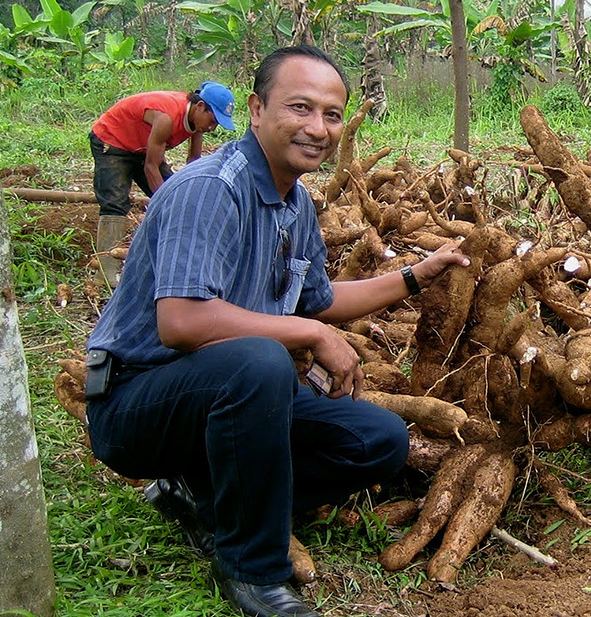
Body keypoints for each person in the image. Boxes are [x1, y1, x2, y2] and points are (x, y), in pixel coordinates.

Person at [83, 44, 470, 617]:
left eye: (332, 115)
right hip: (139, 403)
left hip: (231, 396)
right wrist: (309, 336)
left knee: (379, 440)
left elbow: (322, 299)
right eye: (300, 108)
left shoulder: (296, 206)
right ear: (257, 110)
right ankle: (254, 569)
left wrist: (415, 276)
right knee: (262, 359)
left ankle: (205, 496)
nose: (318, 127)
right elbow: (182, 322)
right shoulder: (210, 189)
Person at [89, 81, 236, 285]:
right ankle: (105, 274)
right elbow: (151, 166)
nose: (212, 127)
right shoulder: (166, 118)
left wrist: (189, 196)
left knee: (177, 196)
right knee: (115, 202)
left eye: (217, 124)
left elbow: (194, 162)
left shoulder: (197, 122)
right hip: (112, 140)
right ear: (200, 106)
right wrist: (163, 202)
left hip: (142, 148)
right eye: (212, 120)